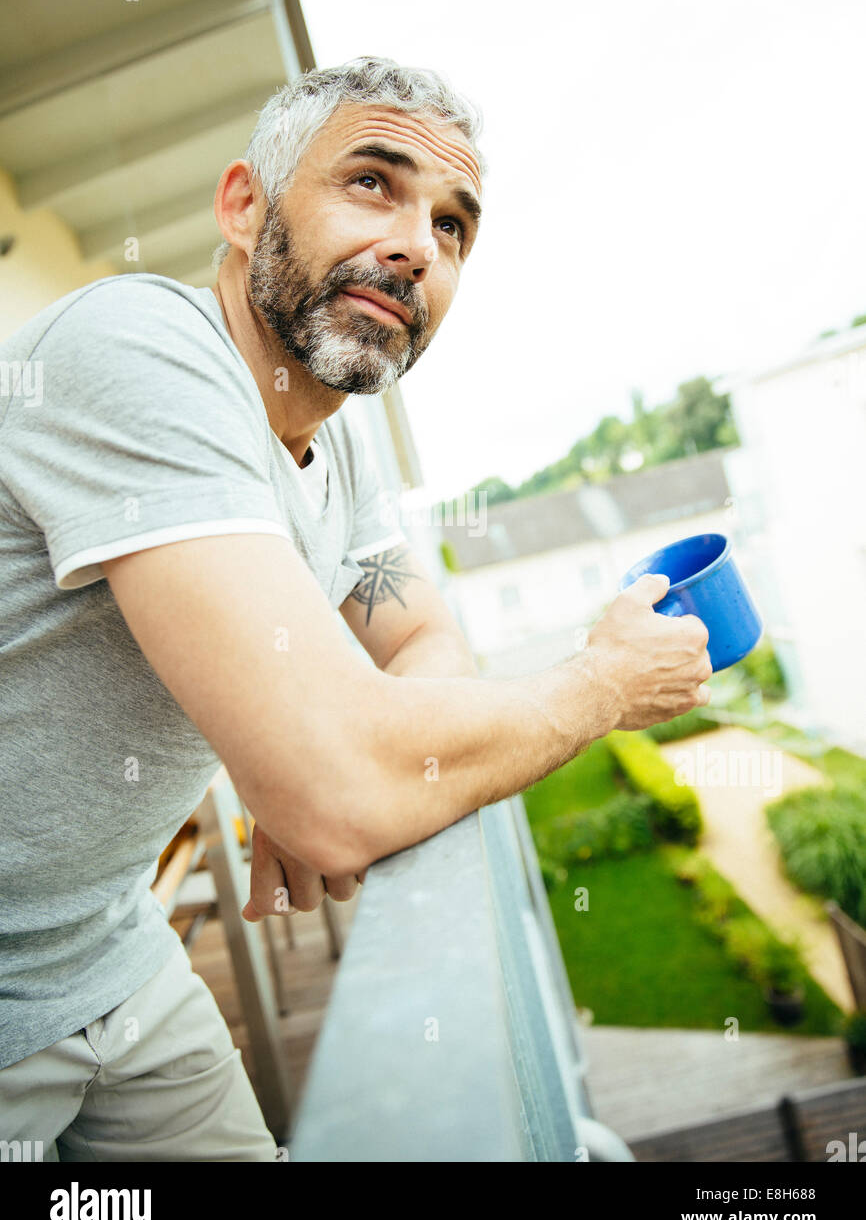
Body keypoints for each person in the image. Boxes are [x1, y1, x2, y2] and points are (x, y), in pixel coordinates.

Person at [0, 56, 712, 1161]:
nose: (417, 244)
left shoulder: (338, 435)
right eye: (371, 184)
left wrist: (323, 748)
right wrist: (600, 685)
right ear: (244, 207)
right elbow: (341, 792)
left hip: (110, 947)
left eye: (453, 226)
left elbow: (417, 638)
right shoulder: (135, 351)